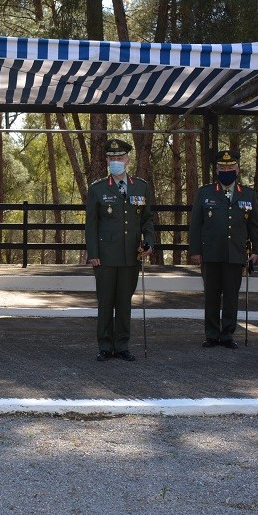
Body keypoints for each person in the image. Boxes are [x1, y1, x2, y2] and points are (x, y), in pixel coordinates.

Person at [85, 138, 156, 362]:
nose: (116, 161)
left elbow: (147, 220)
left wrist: (149, 242)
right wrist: (93, 254)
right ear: (107, 161)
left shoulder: (141, 187)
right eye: (111, 158)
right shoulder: (97, 189)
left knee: (124, 303)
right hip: (105, 257)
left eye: (119, 157)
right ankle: (105, 346)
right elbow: (91, 225)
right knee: (106, 303)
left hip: (131, 256)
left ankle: (122, 345)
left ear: (128, 160)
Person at [188, 149, 258, 349]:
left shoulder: (248, 194)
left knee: (231, 297)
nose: (226, 171)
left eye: (230, 168)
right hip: (210, 253)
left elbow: (254, 226)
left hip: (235, 253)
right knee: (211, 296)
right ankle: (212, 334)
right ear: (217, 170)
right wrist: (195, 251)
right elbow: (196, 224)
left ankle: (228, 334)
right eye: (222, 168)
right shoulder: (205, 193)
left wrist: (256, 250)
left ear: (237, 170)